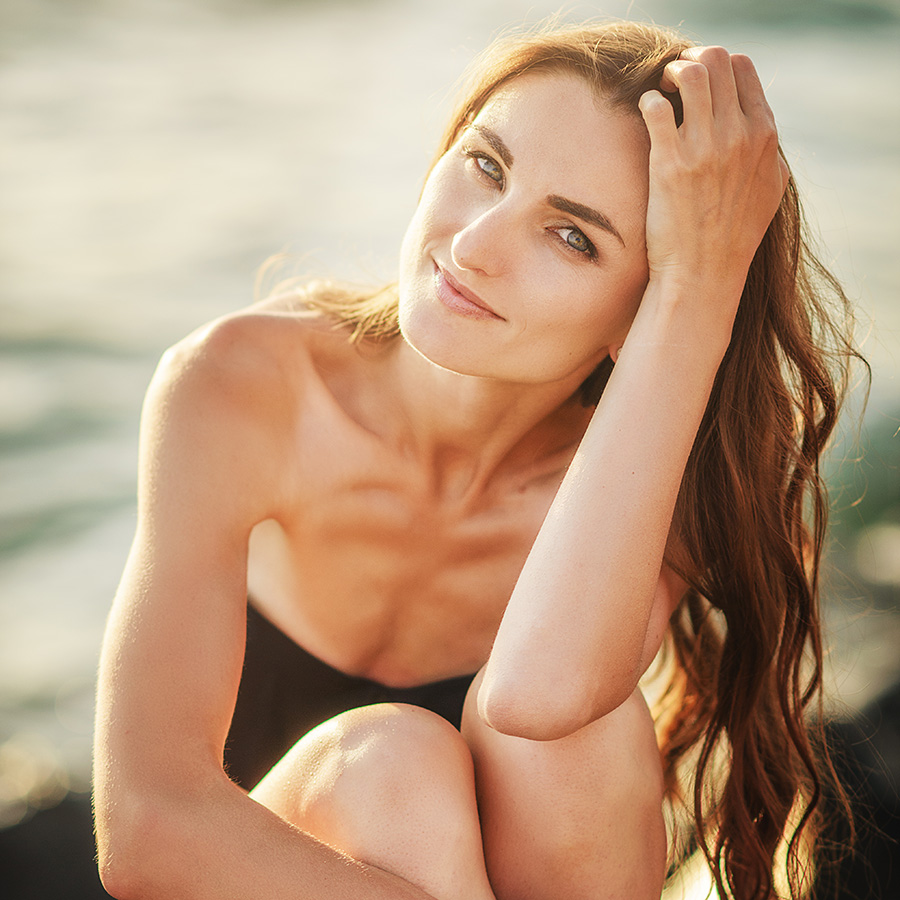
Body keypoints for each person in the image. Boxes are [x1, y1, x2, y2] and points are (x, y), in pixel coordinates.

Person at [92, 18, 861, 900]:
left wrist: (698, 293)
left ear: (644, 316)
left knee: (579, 734)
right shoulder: (241, 386)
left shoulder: (659, 488)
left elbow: (544, 697)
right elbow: (146, 830)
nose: (472, 246)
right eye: (486, 166)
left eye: (571, 236)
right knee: (390, 765)